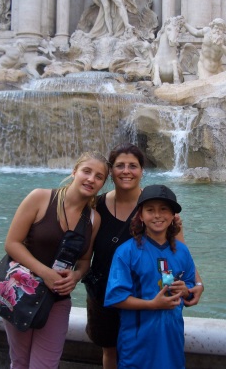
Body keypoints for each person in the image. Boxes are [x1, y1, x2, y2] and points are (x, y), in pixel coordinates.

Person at [83, 143, 204, 369]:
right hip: (105, 294)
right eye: (120, 165)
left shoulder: (158, 206)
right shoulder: (95, 206)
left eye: (133, 165)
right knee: (111, 350)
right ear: (111, 170)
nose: (126, 171)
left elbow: (178, 251)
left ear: (142, 170)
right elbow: (85, 254)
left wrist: (196, 283)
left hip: (148, 291)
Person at [3, 150, 109, 369]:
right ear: (74, 172)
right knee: (20, 362)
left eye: (99, 177)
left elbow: (85, 260)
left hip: (57, 300)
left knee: (45, 365)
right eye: (86, 171)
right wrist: (46, 273)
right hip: (20, 292)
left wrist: (77, 275)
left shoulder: (93, 219)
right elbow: (12, 243)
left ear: (103, 184)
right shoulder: (40, 197)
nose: (91, 179)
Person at [104, 184, 197, 369]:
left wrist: (186, 291)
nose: (157, 215)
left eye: (164, 209)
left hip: (172, 339)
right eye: (150, 210)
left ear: (172, 216)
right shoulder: (126, 252)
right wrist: (152, 305)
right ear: (140, 215)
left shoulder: (182, 252)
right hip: (138, 341)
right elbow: (115, 297)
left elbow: (191, 289)